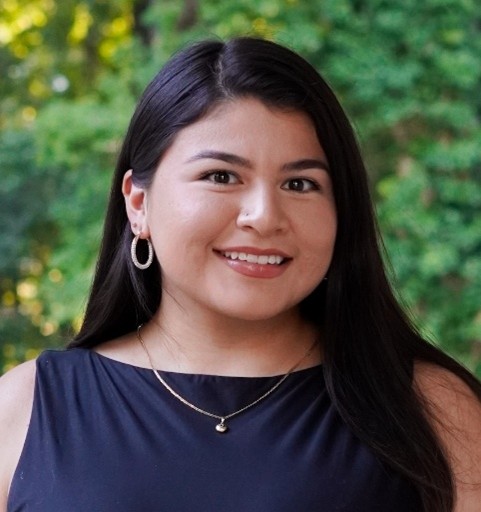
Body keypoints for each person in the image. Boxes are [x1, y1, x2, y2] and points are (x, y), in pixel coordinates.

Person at [1, 37, 480, 512]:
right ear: (139, 203)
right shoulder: (22, 410)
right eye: (221, 176)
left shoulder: (432, 411)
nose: (264, 216)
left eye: (300, 184)